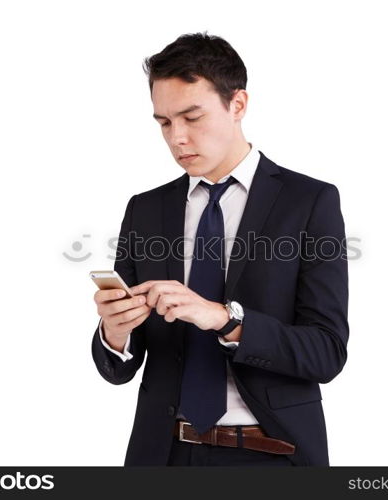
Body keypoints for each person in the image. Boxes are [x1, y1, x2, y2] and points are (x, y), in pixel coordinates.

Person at [91, 32, 349, 466]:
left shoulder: (309, 203)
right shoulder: (146, 209)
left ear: (238, 104)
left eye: (192, 117)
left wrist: (225, 319)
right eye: (164, 123)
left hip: (272, 456)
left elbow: (326, 352)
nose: (177, 138)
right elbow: (117, 367)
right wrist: (115, 333)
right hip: (164, 455)